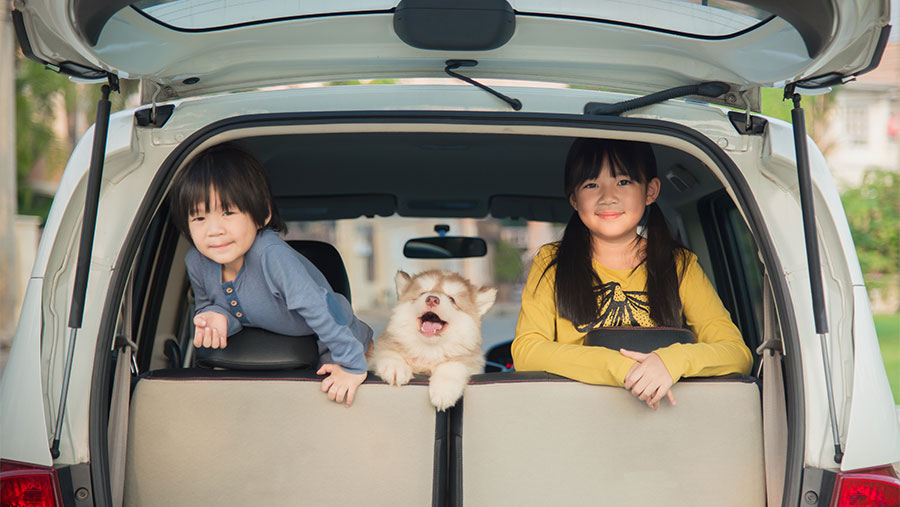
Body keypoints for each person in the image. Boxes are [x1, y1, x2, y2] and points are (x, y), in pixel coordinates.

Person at [511, 138, 752, 410]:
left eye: (623, 181)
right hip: (577, 419)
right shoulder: (551, 262)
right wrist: (620, 368)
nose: (608, 197)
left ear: (651, 191)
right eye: (591, 185)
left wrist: (670, 362)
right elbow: (527, 352)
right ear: (574, 200)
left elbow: (737, 354)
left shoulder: (679, 265)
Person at [169, 143, 373, 406]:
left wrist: (352, 364)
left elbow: (319, 307)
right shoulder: (196, 262)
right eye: (199, 218)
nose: (214, 230)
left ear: (262, 214)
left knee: (334, 399)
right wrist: (216, 317)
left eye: (228, 212)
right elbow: (211, 306)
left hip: (336, 330)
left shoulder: (271, 255)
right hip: (288, 331)